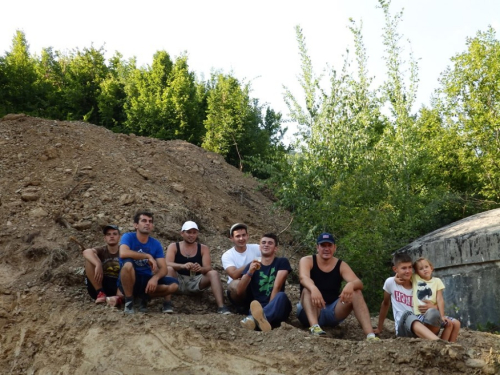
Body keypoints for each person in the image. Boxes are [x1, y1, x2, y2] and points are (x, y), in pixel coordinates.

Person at [297, 233, 378, 340]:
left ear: (334, 247)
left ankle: (370, 335)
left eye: (329, 245)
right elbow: (303, 278)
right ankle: (315, 328)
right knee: (307, 290)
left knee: (356, 292)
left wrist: (351, 284)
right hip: (309, 311)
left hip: (332, 311)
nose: (326, 249)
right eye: (323, 245)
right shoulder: (307, 260)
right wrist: (313, 288)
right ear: (317, 247)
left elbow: (359, 282)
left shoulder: (340, 265)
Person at [118, 211, 179, 314]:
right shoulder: (128, 237)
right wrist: (147, 255)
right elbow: (123, 253)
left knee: (174, 285)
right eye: (144, 221)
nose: (147, 223)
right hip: (130, 279)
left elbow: (164, 268)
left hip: (146, 280)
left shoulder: (155, 243)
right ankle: (129, 302)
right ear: (136, 225)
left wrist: (155, 278)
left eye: (150, 221)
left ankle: (143, 298)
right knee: (128, 265)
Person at [165, 221, 230, 314]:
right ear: (182, 233)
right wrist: (182, 266)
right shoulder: (174, 246)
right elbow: (167, 263)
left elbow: (208, 267)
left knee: (213, 273)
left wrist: (200, 268)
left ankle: (221, 306)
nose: (191, 235)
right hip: (178, 280)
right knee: (169, 269)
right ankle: (167, 303)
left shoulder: (203, 248)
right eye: (188, 232)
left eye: (194, 232)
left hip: (195, 280)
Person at [374, 252, 441, 340]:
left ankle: (433, 341)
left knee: (434, 313)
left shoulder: (419, 283)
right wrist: (379, 327)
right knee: (407, 314)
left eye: (410, 267)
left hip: (422, 326)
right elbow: (385, 303)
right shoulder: (390, 283)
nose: (408, 271)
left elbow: (438, 301)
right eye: (404, 268)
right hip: (404, 330)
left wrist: (435, 307)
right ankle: (438, 342)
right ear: (395, 269)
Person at [238, 233, 292, 332]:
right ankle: (261, 322)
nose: (266, 245)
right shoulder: (252, 265)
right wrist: (249, 272)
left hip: (277, 306)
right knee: (253, 307)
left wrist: (267, 309)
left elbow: (277, 285)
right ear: (259, 247)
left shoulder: (282, 262)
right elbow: (239, 291)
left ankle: (256, 320)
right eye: (263, 242)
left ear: (276, 248)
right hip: (257, 307)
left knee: (281, 296)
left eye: (270, 243)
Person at [412, 257, 461, 342]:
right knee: (449, 323)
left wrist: (442, 316)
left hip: (436, 313)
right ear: (417, 272)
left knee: (455, 323)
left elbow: (440, 299)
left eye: (426, 267)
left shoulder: (437, 281)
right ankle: (442, 345)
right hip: (420, 315)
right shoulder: (415, 278)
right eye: (421, 269)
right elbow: (403, 275)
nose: (424, 270)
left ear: (431, 268)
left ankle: (451, 345)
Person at [221, 223, 261, 310]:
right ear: (231, 238)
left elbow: (268, 259)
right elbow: (234, 274)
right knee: (236, 284)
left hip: (256, 282)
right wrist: (251, 265)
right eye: (238, 236)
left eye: (243, 235)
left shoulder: (257, 248)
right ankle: (243, 307)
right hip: (237, 288)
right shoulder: (227, 255)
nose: (241, 238)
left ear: (247, 236)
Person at [83, 224, 123, 306]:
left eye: (114, 234)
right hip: (102, 283)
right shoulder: (102, 250)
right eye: (108, 234)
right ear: (105, 238)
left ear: (119, 237)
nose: (111, 236)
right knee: (89, 260)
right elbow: (86, 252)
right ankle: (100, 293)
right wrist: (98, 264)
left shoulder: (123, 250)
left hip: (118, 285)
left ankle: (119, 298)